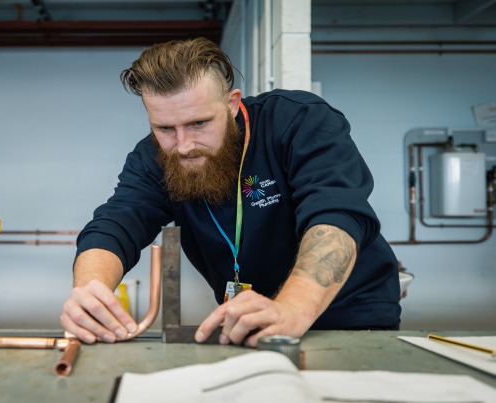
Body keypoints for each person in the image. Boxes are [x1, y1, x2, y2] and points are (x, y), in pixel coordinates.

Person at [60, 37, 401, 347]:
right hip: (247, 325)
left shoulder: (298, 120)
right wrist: (89, 292)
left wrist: (292, 310)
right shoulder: (153, 157)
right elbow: (116, 223)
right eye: (165, 128)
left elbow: (336, 216)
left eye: (199, 123)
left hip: (350, 319)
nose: (183, 146)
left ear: (232, 104)